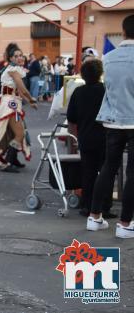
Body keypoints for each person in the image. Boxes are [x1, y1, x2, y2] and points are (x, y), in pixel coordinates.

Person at [87, 14, 134, 239]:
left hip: (113, 119)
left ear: (123, 32)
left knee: (108, 167)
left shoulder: (108, 57)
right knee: (132, 171)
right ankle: (126, 222)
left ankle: (94, 216)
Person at [67, 59, 115, 218]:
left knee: (88, 173)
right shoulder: (106, 90)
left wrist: (74, 139)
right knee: (106, 173)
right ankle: (104, 207)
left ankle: (87, 206)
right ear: (100, 73)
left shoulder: (78, 92)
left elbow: (71, 118)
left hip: (85, 138)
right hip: (106, 137)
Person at [0, 43, 37, 172]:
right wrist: (31, 99)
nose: (20, 58)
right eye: (16, 56)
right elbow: (22, 88)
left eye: (21, 55)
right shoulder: (14, 70)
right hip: (11, 104)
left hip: (11, 102)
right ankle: (8, 161)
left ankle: (13, 159)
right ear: (11, 58)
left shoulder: (13, 69)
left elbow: (19, 90)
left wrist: (29, 101)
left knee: (13, 133)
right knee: (20, 133)